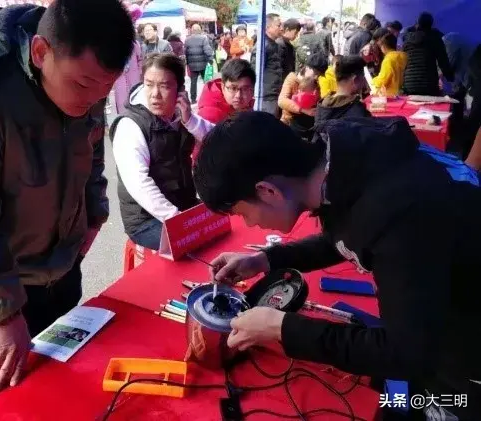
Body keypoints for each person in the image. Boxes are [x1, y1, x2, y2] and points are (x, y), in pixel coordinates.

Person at [193, 111, 481, 421]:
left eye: (242, 213)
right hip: (433, 314)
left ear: (267, 190)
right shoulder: (338, 159)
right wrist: (266, 259)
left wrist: (281, 328)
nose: (249, 224)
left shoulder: (400, 211)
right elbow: (347, 236)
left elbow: (404, 353)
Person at [0, 0, 134, 393]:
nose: (91, 101)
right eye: (82, 86)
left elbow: (92, 156)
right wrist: (3, 315)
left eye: (104, 90)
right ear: (39, 51)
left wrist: (93, 217)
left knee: (67, 380)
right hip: (1, 275)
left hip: (64, 263)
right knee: (17, 391)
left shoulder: (87, 73)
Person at [110, 53, 212, 250]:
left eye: (164, 86)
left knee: (225, 224)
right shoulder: (130, 125)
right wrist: (177, 220)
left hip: (183, 203)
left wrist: (191, 120)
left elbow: (219, 140)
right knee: (198, 247)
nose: (154, 94)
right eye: (149, 85)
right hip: (146, 220)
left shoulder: (181, 113)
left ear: (180, 90)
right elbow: (139, 184)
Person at [402, 12, 453, 95]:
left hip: (409, 85)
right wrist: (450, 77)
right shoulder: (435, 38)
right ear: (431, 24)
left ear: (417, 23)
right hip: (429, 84)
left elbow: (403, 60)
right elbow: (443, 61)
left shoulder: (407, 39)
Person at [278, 53, 328, 134]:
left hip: (308, 126)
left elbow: (317, 102)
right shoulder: (292, 79)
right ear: (307, 67)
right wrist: (303, 110)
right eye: (315, 73)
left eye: (319, 75)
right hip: (289, 124)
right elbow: (281, 101)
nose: (316, 77)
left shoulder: (316, 84)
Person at [197, 58, 255, 123]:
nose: (238, 95)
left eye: (245, 89)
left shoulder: (251, 106)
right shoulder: (210, 117)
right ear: (223, 87)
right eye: (233, 88)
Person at [315, 55, 371, 122]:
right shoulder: (358, 112)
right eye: (363, 78)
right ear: (355, 80)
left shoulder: (322, 106)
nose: (364, 82)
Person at [251, 13, 285, 117]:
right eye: (278, 25)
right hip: (265, 96)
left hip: (273, 94)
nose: (281, 28)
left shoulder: (274, 45)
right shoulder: (262, 46)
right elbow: (254, 71)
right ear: (268, 27)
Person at [184, 23, 214, 104]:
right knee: (206, 81)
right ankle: (209, 97)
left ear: (192, 30)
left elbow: (185, 52)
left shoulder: (187, 40)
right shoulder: (203, 38)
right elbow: (207, 50)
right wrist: (210, 59)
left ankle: (193, 99)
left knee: (193, 82)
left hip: (192, 65)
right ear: (200, 30)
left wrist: (187, 63)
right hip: (203, 64)